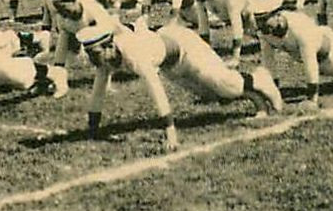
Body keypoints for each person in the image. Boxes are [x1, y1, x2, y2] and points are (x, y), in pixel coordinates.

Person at [79, 19, 283, 152]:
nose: (93, 59)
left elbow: (156, 90)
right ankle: (258, 100)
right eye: (90, 54)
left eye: (94, 53)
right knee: (216, 96)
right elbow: (98, 93)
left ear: (109, 45)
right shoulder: (106, 57)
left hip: (186, 48)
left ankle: (259, 79)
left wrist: (171, 133)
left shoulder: (134, 53)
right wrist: (93, 131)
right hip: (170, 65)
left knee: (225, 85)